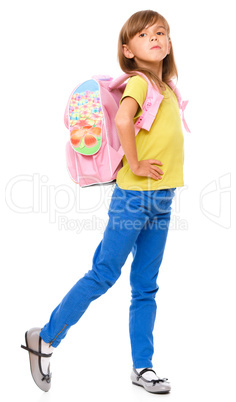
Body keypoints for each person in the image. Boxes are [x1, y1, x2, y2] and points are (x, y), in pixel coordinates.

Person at [21, 9, 189, 394]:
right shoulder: (140, 84)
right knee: (104, 273)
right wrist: (134, 161)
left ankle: (142, 368)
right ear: (128, 50)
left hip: (162, 198)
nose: (157, 38)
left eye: (162, 32)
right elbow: (122, 121)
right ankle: (45, 338)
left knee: (146, 285)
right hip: (133, 199)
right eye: (146, 35)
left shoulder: (167, 88)